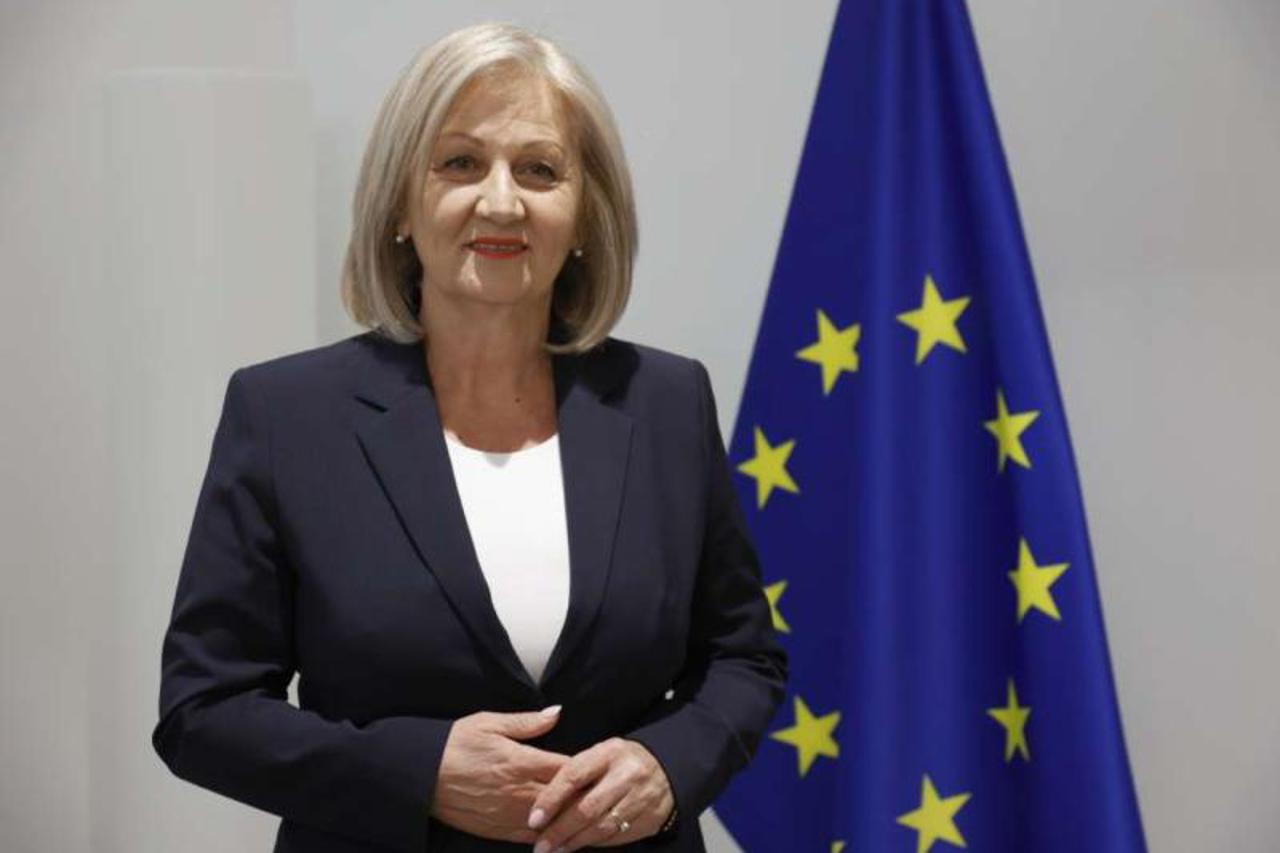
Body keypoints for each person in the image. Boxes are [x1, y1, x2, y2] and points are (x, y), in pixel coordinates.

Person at [152, 21, 787, 853]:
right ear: (400, 205)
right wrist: (419, 774)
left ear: (584, 214)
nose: (501, 201)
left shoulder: (666, 402)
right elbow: (203, 708)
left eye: (540, 169)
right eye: (459, 163)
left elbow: (743, 657)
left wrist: (667, 766)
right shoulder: (284, 415)